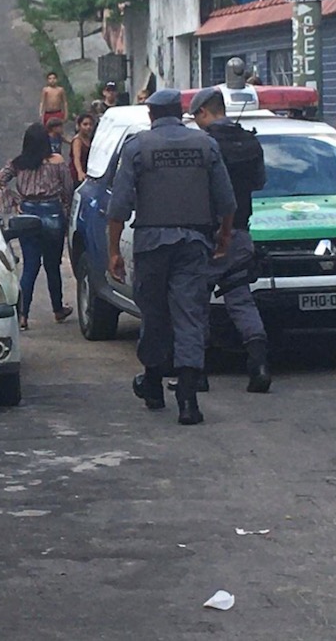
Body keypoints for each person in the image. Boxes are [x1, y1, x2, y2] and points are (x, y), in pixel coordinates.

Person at [107, 89, 236, 425]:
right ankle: (188, 399)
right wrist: (223, 237)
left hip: (151, 244)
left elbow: (118, 206)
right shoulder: (205, 144)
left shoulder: (137, 146)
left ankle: (152, 381)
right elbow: (226, 202)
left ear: (151, 114)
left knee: (153, 314)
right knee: (190, 316)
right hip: (194, 243)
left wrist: (113, 252)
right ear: (180, 111)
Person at [186, 87, 271, 394]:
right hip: (240, 232)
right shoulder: (250, 140)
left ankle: (197, 372)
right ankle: (259, 364)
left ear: (203, 112)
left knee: (195, 302)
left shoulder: (203, 144)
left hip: (207, 233)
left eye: (196, 116)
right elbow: (260, 182)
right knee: (240, 299)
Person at [0, 123, 74, 331]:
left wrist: (14, 200)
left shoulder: (19, 163)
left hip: (27, 213)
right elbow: (68, 189)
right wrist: (65, 210)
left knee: (30, 265)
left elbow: (0, 179)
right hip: (52, 212)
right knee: (52, 265)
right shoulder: (57, 161)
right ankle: (57, 309)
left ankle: (23, 315)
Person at [69, 113, 94, 184]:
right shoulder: (77, 140)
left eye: (90, 124)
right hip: (77, 175)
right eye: (85, 124)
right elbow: (76, 158)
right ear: (79, 126)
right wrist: (80, 172)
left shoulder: (90, 139)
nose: (88, 127)